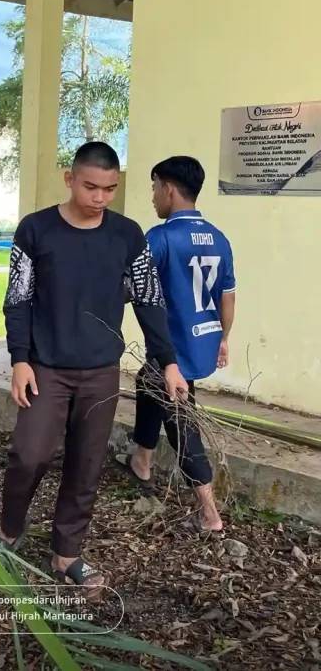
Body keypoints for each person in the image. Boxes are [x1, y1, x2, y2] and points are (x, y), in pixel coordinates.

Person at [0, 142, 187, 595]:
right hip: (46, 368)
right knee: (30, 454)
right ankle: (7, 532)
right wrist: (19, 359)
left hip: (101, 369)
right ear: (69, 179)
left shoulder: (128, 235)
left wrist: (170, 363)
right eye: (90, 186)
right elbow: (17, 299)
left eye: (109, 189)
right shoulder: (35, 230)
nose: (100, 197)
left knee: (86, 463)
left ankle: (68, 552)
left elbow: (149, 301)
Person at [115, 156, 233, 532]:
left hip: (174, 348)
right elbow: (227, 296)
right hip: (204, 339)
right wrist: (224, 339)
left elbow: (130, 286)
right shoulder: (218, 237)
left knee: (181, 420)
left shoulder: (161, 237)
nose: (153, 198)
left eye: (153, 188)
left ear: (168, 188)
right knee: (148, 381)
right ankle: (142, 461)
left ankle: (210, 514)